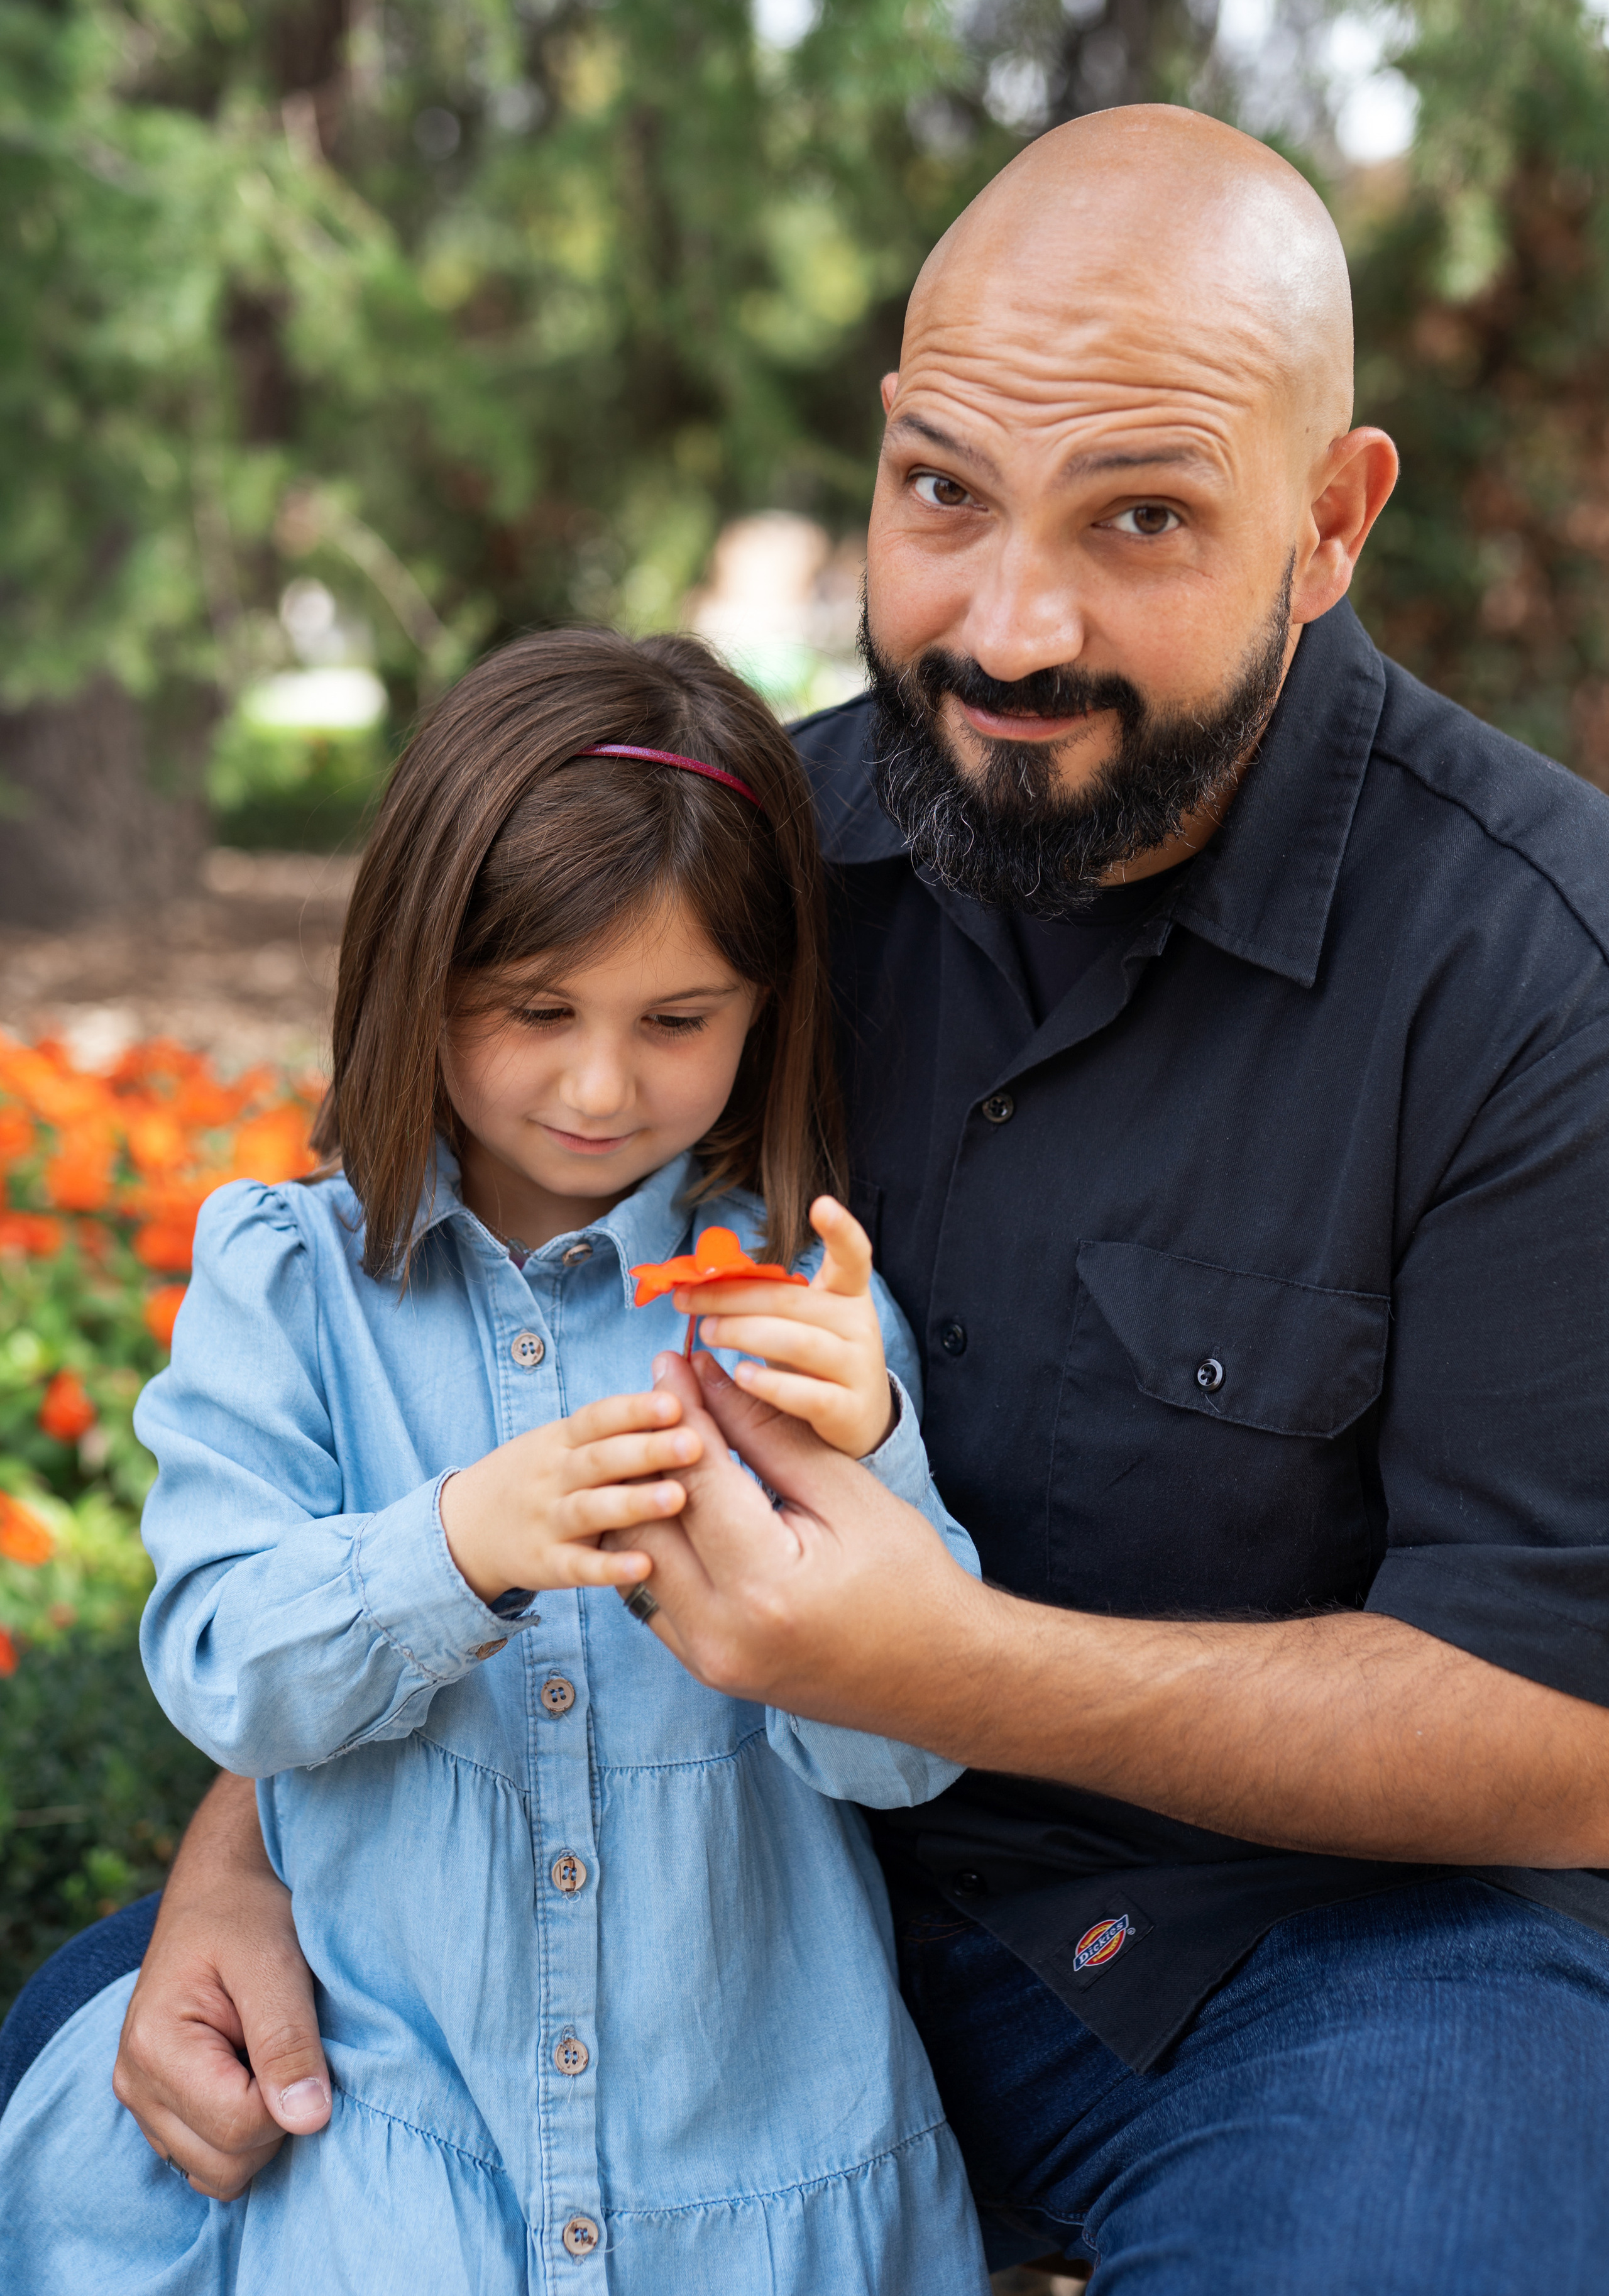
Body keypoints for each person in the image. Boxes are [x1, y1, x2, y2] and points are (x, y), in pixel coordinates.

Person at [8, 101, 1609, 2292]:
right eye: (945, 490)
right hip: (699, 1866)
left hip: (1302, 1945)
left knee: (1399, 2248)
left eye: (1142, 516)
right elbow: (404, 1362)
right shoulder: (726, 872)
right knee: (102, 2083)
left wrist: (949, 1669)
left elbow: (1568, 1734)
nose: (1010, 627)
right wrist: (250, 1849)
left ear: (1331, 522)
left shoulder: (1534, 974)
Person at [0, 632, 989, 2294]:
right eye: (538, 1011)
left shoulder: (796, 1307)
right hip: (394, 2160)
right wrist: (456, 1545)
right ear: (420, 976)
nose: (602, 1083)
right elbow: (227, 1666)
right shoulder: (291, 1284)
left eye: (678, 1019)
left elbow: (901, 1766)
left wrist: (868, 1458)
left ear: (765, 1010)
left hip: (751, 2166)